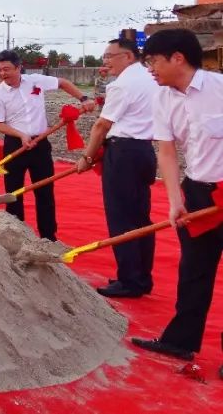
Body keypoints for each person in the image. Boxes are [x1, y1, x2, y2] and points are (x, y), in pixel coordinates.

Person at [131, 29, 223, 367]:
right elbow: (167, 152)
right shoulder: (163, 99)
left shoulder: (219, 88)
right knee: (194, 269)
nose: (150, 70)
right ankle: (180, 341)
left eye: (153, 61)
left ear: (178, 58)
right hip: (198, 192)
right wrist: (175, 200)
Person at [74, 38, 158, 297]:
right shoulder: (151, 77)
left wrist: (87, 157)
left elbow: (102, 125)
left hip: (124, 153)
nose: (106, 61)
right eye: (104, 56)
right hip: (144, 150)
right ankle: (141, 277)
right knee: (140, 217)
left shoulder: (123, 84)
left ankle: (130, 280)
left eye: (110, 56)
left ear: (129, 56)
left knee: (122, 217)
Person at [0, 49, 96, 240]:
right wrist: (21, 135)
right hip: (15, 144)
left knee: (45, 191)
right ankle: (16, 235)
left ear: (18, 68)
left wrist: (83, 98)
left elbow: (62, 83)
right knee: (13, 193)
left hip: (40, 144)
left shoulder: (35, 81)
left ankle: (48, 236)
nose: (2, 73)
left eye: (6, 69)